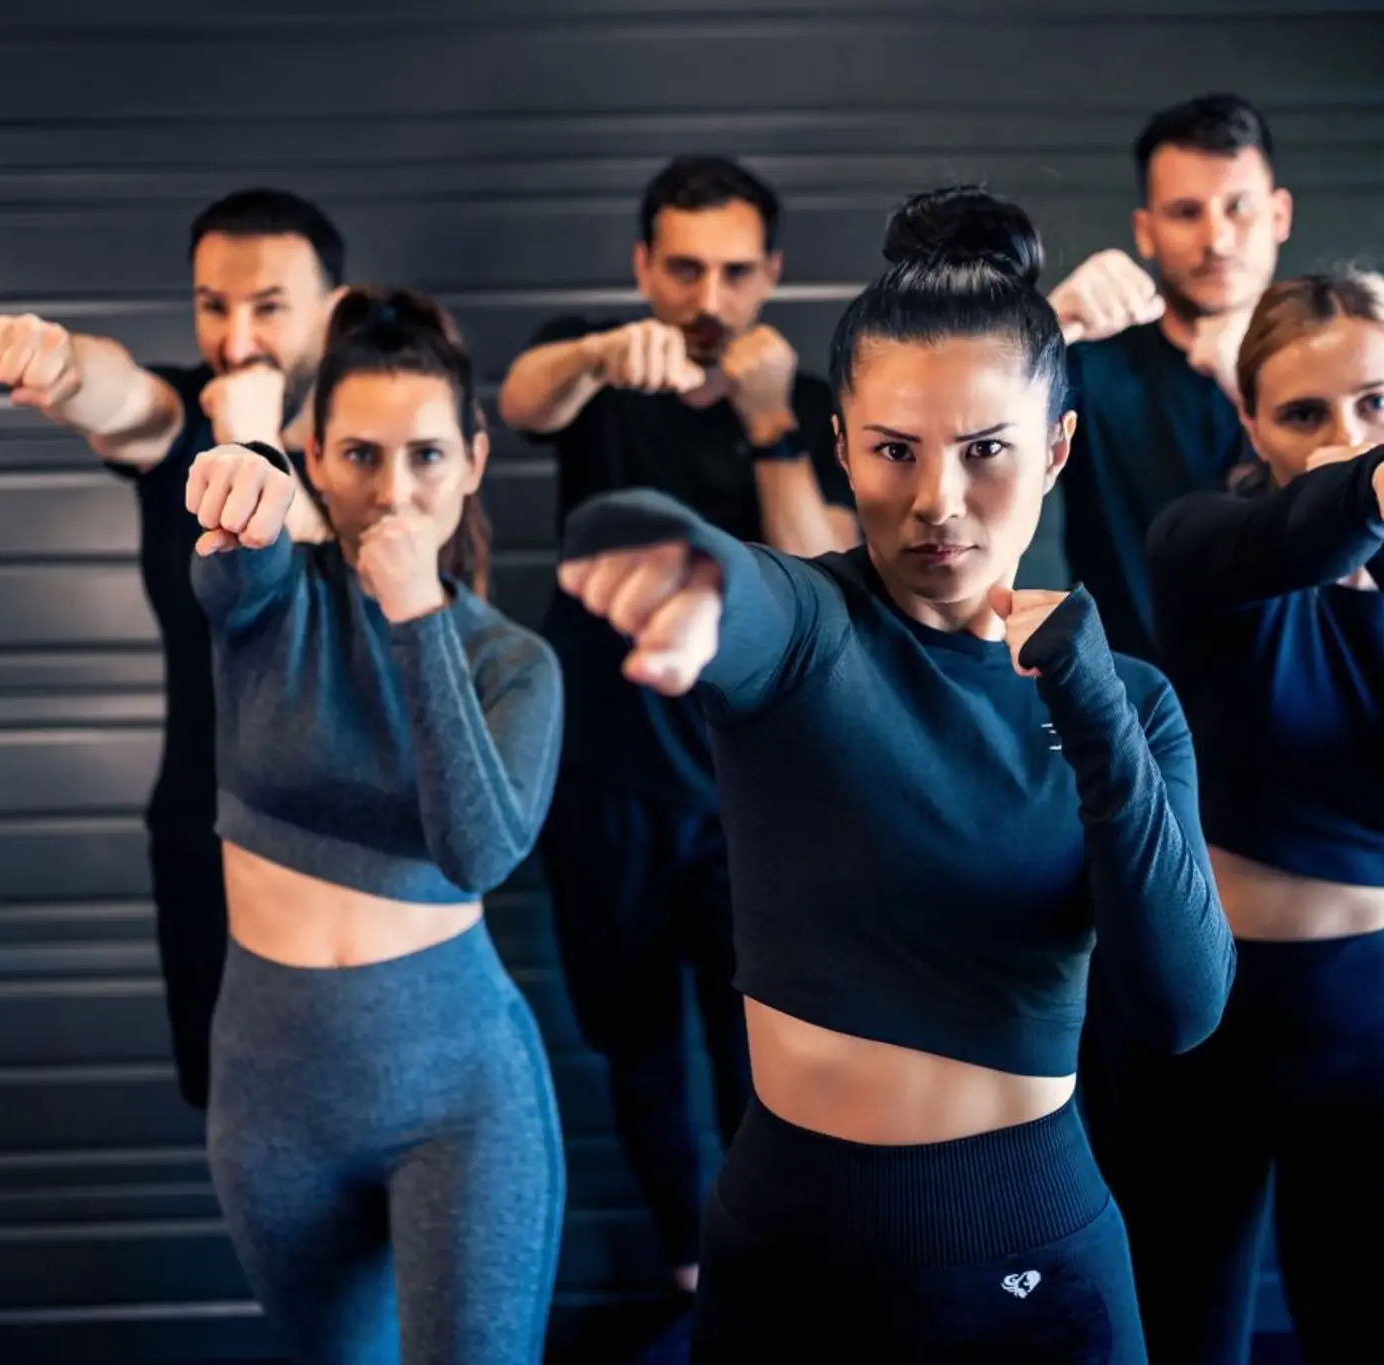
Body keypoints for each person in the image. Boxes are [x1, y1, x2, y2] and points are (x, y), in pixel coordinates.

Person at [552, 187, 1236, 1363]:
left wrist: (1087, 705)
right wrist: (669, 561)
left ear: (1056, 448)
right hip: (786, 1251)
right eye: (891, 451)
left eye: (985, 453)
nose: (936, 502)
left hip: (1034, 1260)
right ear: (839, 445)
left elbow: (1181, 1008)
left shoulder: (1131, 701)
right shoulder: (808, 630)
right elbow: (715, 569)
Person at [1130, 267, 1384, 1364]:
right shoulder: (1204, 552)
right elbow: (1293, 534)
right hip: (1194, 1024)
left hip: (1374, 1033)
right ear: (1249, 422)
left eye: (1375, 406)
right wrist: (1372, 496)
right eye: (1302, 414)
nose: (1344, 435)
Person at [497, 154, 859, 1297]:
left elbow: (821, 567)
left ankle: (772, 1264)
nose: (709, 300)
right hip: (605, 791)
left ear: (773, 275)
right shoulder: (596, 369)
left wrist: (766, 425)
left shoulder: (805, 405)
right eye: (685, 269)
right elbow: (519, 400)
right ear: (643, 267)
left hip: (758, 795)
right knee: (636, 1050)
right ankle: (690, 1267)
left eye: (735, 273)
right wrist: (606, 353)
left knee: (768, 1053)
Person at [182, 287, 565, 1364]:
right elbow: (229, 559)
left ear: (474, 460)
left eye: (426, 456)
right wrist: (244, 470)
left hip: (461, 1098)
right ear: (313, 454)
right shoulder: (275, 608)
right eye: (358, 455)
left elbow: (479, 851)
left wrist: (419, 619)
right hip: (271, 1097)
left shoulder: (511, 666)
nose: (393, 490)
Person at [0, 187, 345, 1110]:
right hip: (204, 830)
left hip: (351, 837)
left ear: (332, 310)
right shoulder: (180, 424)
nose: (237, 337)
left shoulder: (379, 439)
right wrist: (57, 362)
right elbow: (121, 393)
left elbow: (343, 615)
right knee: (240, 1120)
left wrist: (255, 439)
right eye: (214, 304)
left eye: (268, 306)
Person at [1044, 92, 1294, 660]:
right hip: (1132, 718)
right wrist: (1046, 326)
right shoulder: (1088, 366)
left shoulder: (1337, 370)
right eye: (1186, 211)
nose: (1216, 240)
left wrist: (1247, 385)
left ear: (1279, 215)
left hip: (1311, 727)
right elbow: (964, 450)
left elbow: (1373, 530)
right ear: (1145, 230)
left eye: (1239, 207)